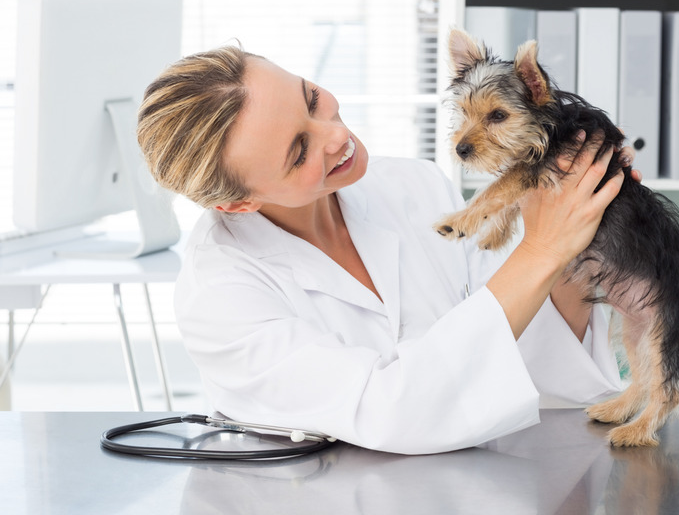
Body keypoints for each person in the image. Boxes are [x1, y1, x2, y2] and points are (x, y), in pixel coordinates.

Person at [137, 45, 636, 455]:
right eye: (299, 152)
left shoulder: (411, 185)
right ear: (238, 202)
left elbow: (522, 349)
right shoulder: (220, 298)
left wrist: (582, 226)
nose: (336, 135)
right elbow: (396, 412)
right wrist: (542, 249)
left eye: (311, 98)